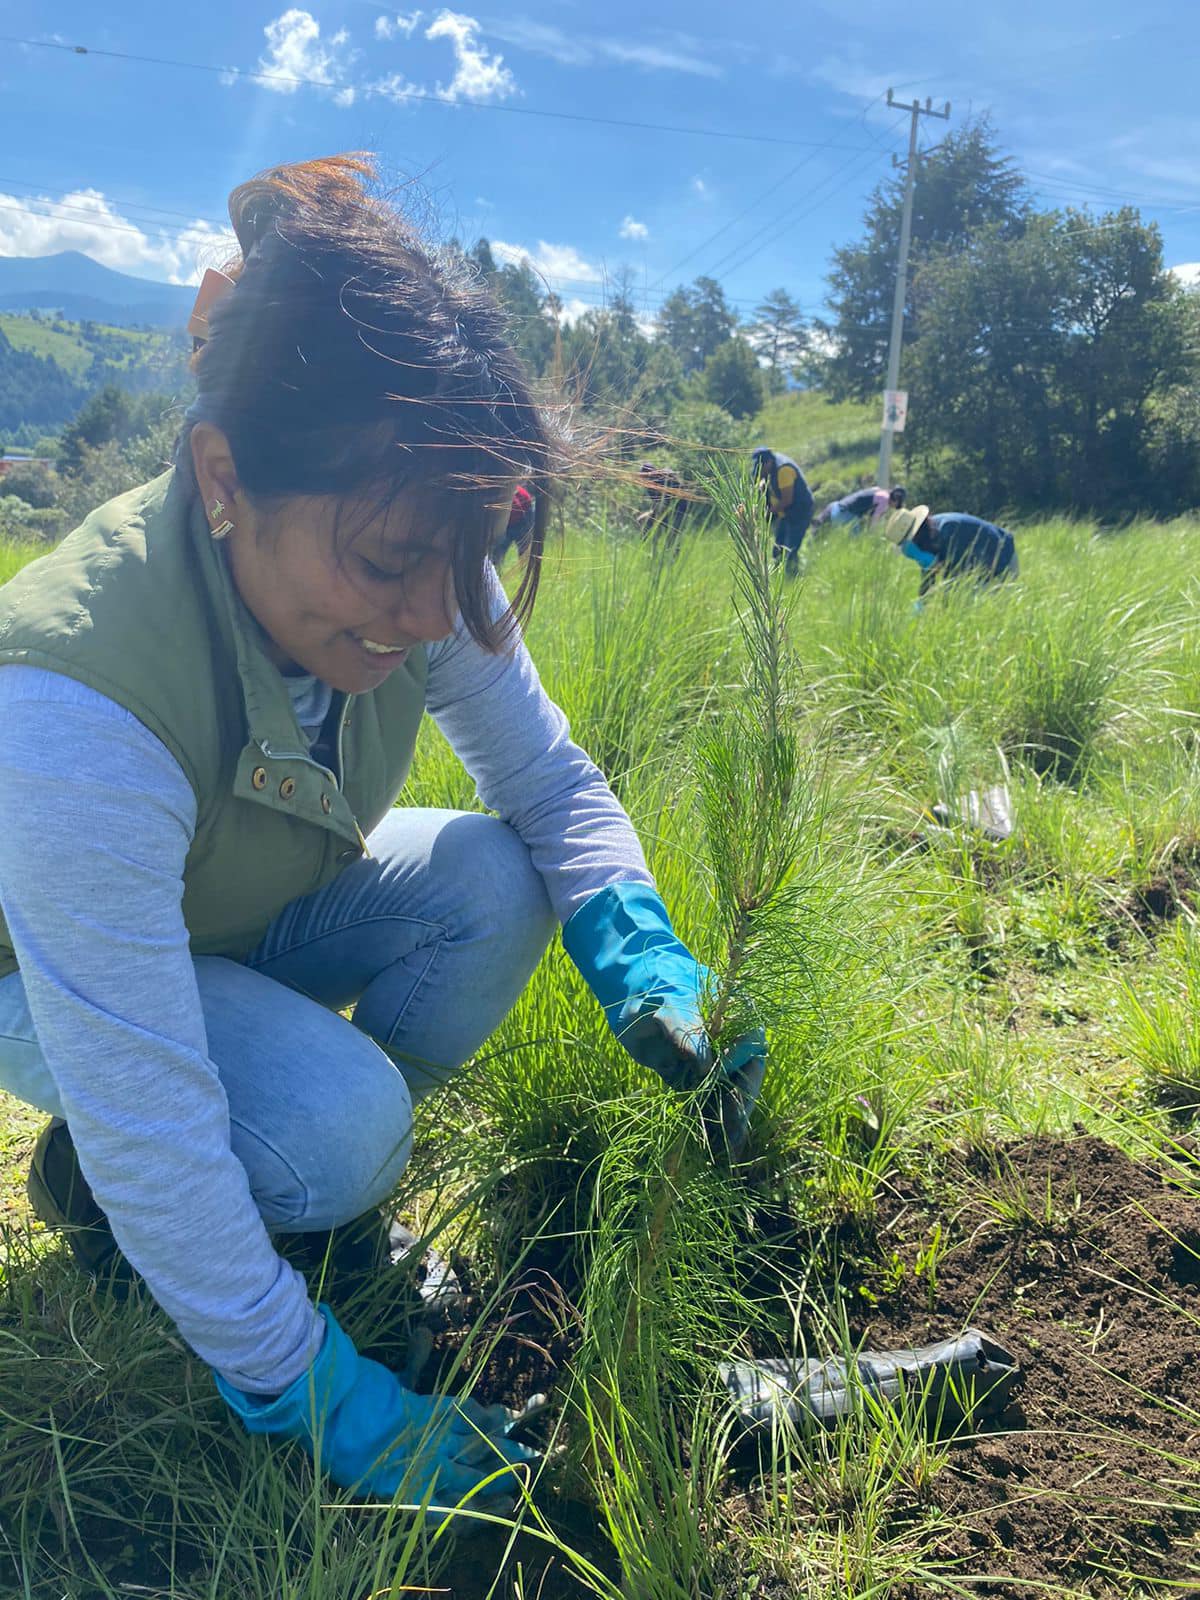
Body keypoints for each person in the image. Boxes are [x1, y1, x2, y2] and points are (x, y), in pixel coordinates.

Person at [0, 157, 764, 1522]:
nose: (428, 615)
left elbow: (548, 782)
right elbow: (152, 1109)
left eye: (453, 558)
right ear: (223, 476)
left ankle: (310, 1194)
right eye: (380, 566)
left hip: (234, 915)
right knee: (330, 1123)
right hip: (52, 981)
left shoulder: (423, 561)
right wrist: (322, 1402)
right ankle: (255, 1189)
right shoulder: (75, 705)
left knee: (495, 874)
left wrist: (646, 953)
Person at [882, 505, 1019, 597]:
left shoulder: (950, 530)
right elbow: (929, 575)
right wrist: (922, 599)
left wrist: (938, 569)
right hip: (983, 567)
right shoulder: (928, 539)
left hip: (1004, 563)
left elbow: (959, 577)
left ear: (915, 535)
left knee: (959, 596)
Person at [750, 446, 813, 576]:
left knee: (790, 549)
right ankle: (780, 574)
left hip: (799, 512)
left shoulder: (784, 470)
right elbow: (763, 482)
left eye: (761, 468)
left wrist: (767, 512)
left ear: (768, 462)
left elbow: (787, 500)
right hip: (785, 513)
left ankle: (792, 576)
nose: (760, 473)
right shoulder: (771, 466)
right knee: (777, 550)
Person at [635, 461, 689, 554]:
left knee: (672, 539)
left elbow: (669, 499)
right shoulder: (650, 485)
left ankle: (672, 561)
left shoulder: (663, 478)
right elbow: (657, 503)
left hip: (678, 510)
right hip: (663, 511)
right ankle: (652, 551)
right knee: (642, 520)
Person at [814, 483, 905, 530]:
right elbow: (874, 521)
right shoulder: (885, 500)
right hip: (845, 514)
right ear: (896, 499)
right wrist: (873, 540)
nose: (894, 507)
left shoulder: (878, 490)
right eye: (897, 504)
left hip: (836, 506)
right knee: (855, 542)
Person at [490, 484, 536, 567]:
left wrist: (528, 528)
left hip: (521, 523)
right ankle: (495, 572)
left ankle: (524, 571)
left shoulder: (520, 492)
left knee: (524, 552)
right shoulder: (498, 492)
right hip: (505, 526)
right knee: (497, 552)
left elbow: (528, 509)